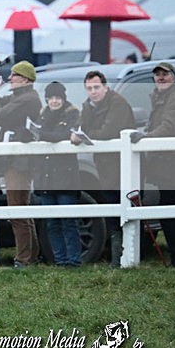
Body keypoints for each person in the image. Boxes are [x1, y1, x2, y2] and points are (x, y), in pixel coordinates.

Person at [71, 70, 135, 267]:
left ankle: (124, 258)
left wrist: (86, 133)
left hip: (123, 167)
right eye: (89, 88)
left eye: (96, 87)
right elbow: (80, 126)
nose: (93, 92)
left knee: (124, 210)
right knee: (112, 208)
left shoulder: (118, 103)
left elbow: (108, 131)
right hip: (105, 167)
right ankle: (118, 258)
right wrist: (76, 134)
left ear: (105, 87)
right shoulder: (88, 106)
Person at [130, 62, 175, 267]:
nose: (160, 77)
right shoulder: (161, 98)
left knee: (170, 211)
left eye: (164, 74)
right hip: (165, 166)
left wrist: (145, 137)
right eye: (157, 75)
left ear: (173, 77)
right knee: (170, 210)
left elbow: (168, 127)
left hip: (173, 166)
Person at [0, 61, 42, 268]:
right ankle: (31, 255)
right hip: (18, 162)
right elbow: (1, 108)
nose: (10, 78)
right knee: (22, 210)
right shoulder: (24, 96)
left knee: (17, 210)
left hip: (19, 163)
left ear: (25, 79)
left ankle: (24, 258)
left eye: (14, 75)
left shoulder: (27, 98)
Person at [35, 82, 81, 267]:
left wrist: (43, 134)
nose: (54, 101)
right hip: (45, 176)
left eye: (58, 97)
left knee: (68, 221)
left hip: (65, 176)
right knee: (52, 222)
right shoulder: (42, 115)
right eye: (51, 97)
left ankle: (74, 260)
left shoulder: (73, 114)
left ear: (63, 98)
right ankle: (60, 259)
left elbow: (64, 134)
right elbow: (37, 133)